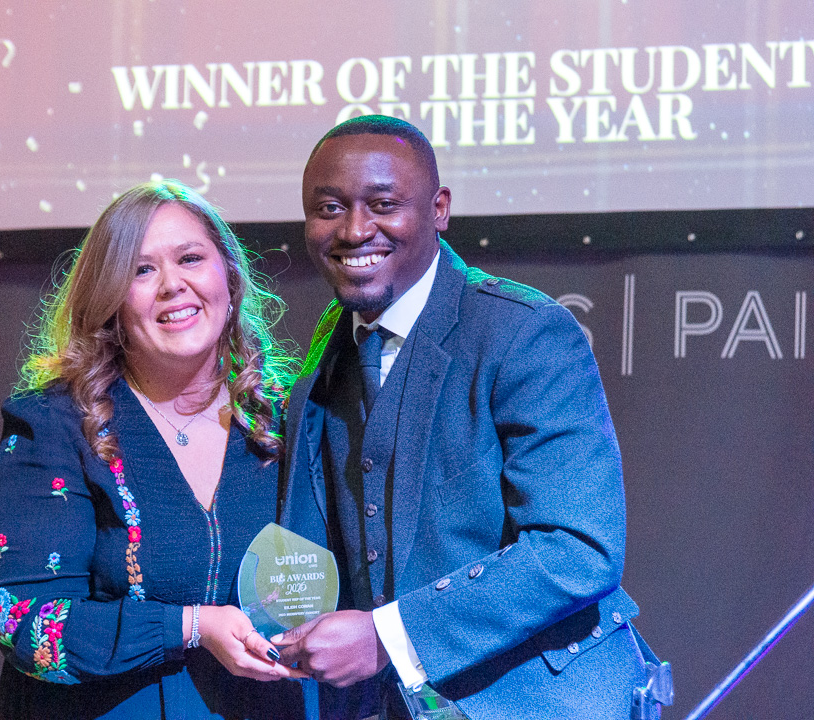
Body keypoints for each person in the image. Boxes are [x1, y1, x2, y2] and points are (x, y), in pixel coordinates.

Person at [274, 116, 668, 720]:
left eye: (384, 204)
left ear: (439, 210)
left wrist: (387, 637)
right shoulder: (332, 344)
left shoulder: (524, 332)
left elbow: (577, 548)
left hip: (542, 701)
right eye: (329, 208)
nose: (354, 230)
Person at [0, 180, 314, 719]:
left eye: (190, 258)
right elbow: (22, 619)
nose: (172, 285)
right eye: (141, 270)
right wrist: (189, 627)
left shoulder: (290, 419)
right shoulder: (54, 423)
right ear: (110, 300)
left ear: (228, 278)